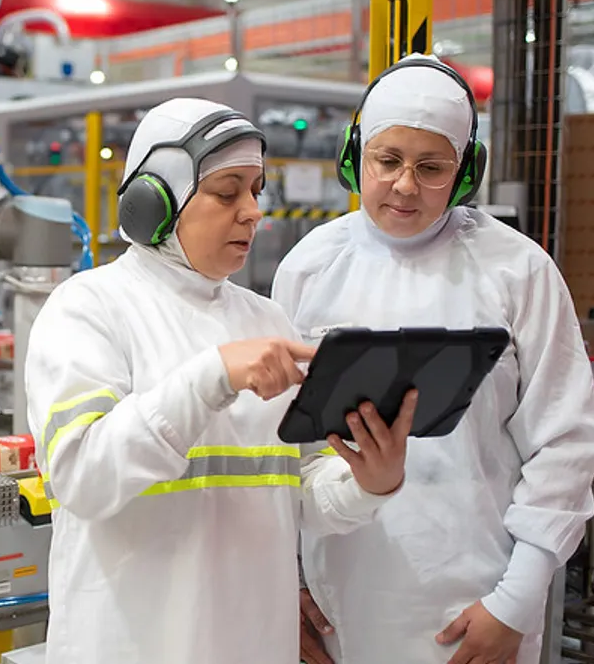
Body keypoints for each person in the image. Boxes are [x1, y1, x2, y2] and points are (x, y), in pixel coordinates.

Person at [25, 97, 418, 664]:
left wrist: (367, 483)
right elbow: (82, 477)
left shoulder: (266, 320)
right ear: (155, 201)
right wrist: (212, 376)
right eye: (227, 192)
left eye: (256, 190)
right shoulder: (88, 308)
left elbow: (302, 495)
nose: (252, 211)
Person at [272, 54, 594, 664]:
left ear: (466, 172)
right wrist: (284, 583)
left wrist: (517, 601)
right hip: (339, 607)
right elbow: (282, 449)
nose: (405, 185)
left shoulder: (518, 269)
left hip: (478, 608)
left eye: (431, 168)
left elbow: (565, 444)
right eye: (387, 160)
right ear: (355, 156)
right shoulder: (310, 267)